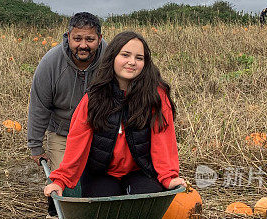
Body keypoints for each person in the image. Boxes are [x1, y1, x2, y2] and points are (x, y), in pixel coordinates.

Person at [43, 31, 186, 201]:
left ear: (145, 63)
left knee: (144, 201)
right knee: (104, 205)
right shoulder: (94, 98)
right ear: (112, 58)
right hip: (101, 172)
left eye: (139, 58)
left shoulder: (156, 96)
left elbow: (163, 139)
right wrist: (61, 180)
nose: (132, 62)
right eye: (125, 55)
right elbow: (77, 141)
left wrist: (169, 177)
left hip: (140, 171)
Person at [27, 11, 105, 219]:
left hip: (98, 129)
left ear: (99, 39)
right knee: (62, 174)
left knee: (96, 173)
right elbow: (39, 104)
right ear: (68, 36)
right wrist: (35, 144)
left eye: (89, 39)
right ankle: (56, 218)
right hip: (62, 130)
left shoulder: (110, 59)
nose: (83, 45)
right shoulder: (51, 63)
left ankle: (91, 218)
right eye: (77, 38)